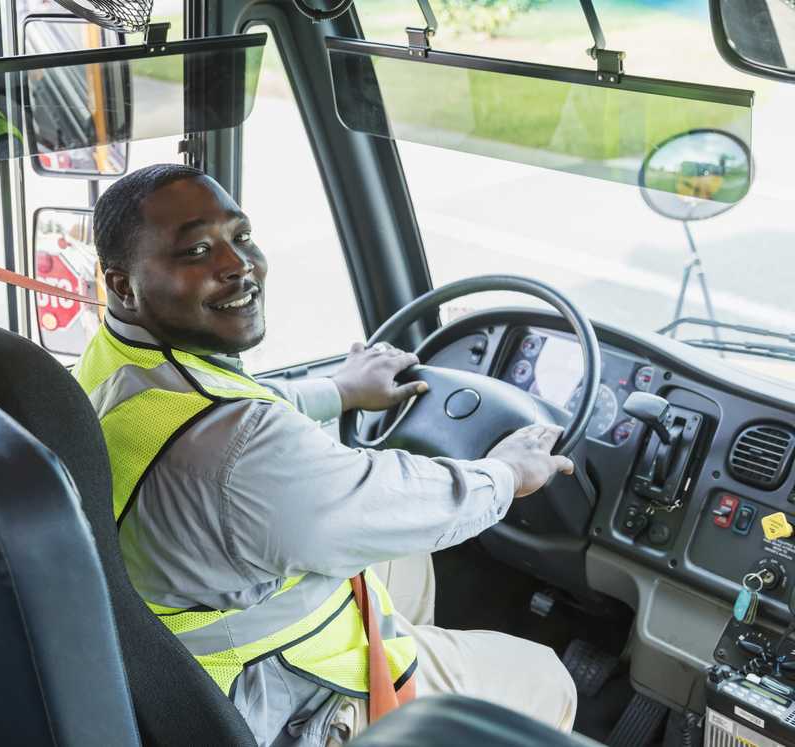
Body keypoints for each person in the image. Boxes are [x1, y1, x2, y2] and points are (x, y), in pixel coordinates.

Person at [73, 163, 578, 746]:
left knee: (407, 561)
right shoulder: (238, 446)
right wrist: (509, 473)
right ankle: (406, 718)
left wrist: (338, 389)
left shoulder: (119, 362)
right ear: (123, 284)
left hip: (183, 613)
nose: (238, 266)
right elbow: (383, 494)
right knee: (545, 678)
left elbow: (223, 410)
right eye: (197, 251)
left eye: (240, 236)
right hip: (273, 695)